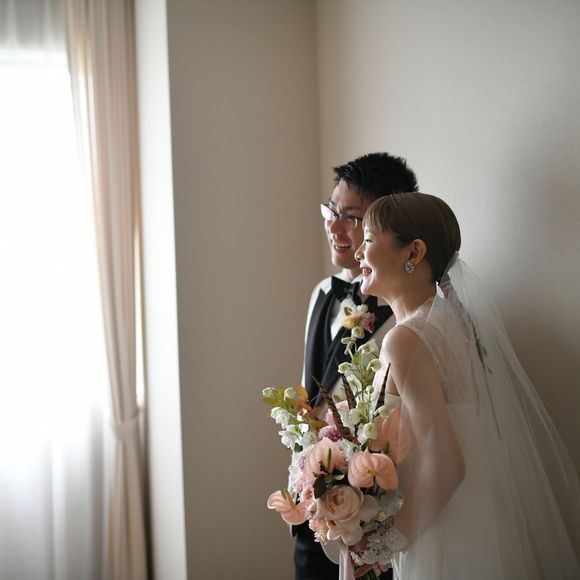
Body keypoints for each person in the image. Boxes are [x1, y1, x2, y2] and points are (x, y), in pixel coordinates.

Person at [349, 192, 580, 579]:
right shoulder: (455, 324)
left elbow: (446, 466)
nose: (358, 252)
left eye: (368, 239)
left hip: (440, 538)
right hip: (477, 523)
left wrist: (380, 547)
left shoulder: (406, 340)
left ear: (413, 252)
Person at [294, 153, 419, 580]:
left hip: (371, 526)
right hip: (313, 517)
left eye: (350, 217)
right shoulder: (321, 293)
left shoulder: (404, 319)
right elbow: (310, 394)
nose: (334, 226)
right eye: (331, 211)